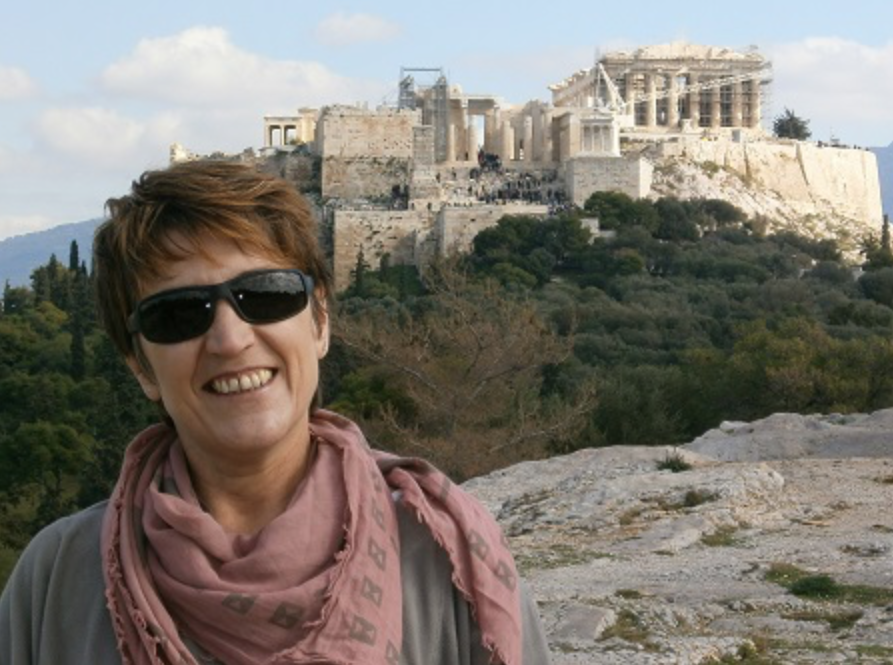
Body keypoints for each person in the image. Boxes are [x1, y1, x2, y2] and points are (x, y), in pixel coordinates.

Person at [0, 160, 551, 664]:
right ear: (140, 366)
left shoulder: (443, 559)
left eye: (265, 294)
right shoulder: (58, 580)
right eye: (178, 314)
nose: (230, 339)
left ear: (319, 322)